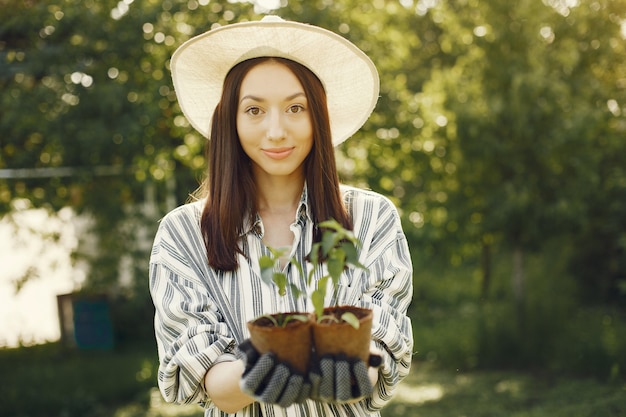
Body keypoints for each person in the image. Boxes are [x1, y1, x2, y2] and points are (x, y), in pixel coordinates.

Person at [149, 15, 413, 417]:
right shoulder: (184, 233)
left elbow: (371, 367)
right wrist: (303, 356)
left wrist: (286, 360)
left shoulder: (371, 218)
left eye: (295, 107)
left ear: (318, 116)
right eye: (254, 110)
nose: (276, 131)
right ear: (230, 121)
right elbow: (214, 384)